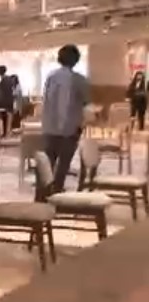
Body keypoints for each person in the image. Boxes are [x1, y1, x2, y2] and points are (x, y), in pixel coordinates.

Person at [43, 44, 89, 192]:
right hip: (70, 129)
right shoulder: (80, 80)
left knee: (47, 163)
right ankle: (57, 190)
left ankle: (43, 192)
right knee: (63, 164)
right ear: (76, 60)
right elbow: (87, 102)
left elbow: (47, 100)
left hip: (49, 127)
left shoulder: (50, 77)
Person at [0, 65, 15, 136]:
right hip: (9, 99)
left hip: (3, 100)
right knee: (8, 116)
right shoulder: (9, 79)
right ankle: (7, 131)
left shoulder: (1, 80)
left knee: (4, 117)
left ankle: (5, 132)